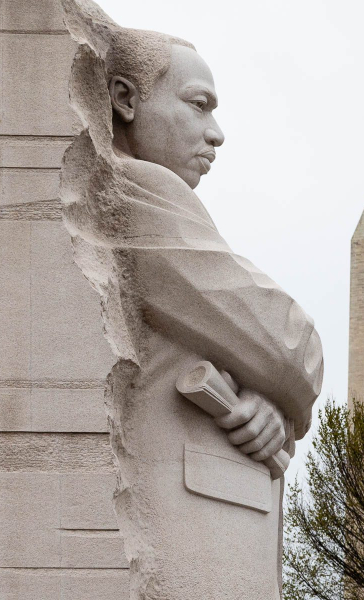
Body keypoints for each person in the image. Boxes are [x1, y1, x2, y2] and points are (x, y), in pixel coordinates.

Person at [63, 23, 323, 599]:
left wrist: (271, 406)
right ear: (126, 99)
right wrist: (280, 382)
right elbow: (290, 345)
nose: (217, 134)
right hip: (190, 526)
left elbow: (242, 355)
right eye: (198, 105)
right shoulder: (135, 190)